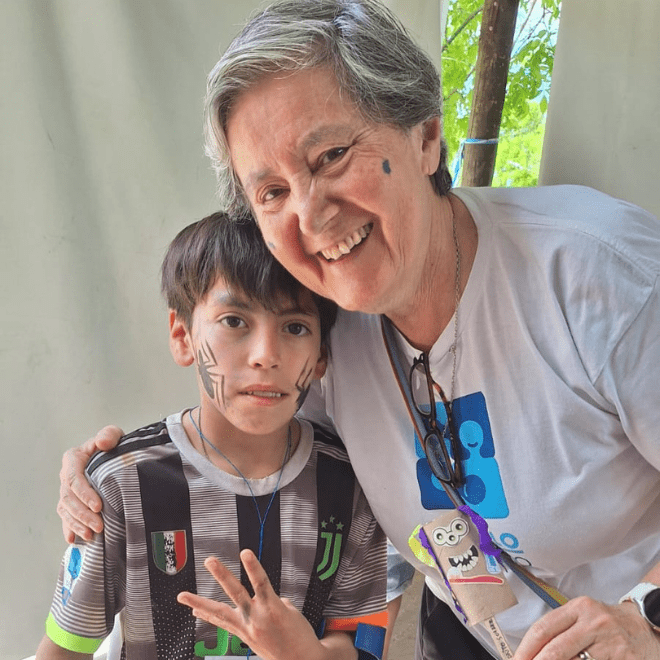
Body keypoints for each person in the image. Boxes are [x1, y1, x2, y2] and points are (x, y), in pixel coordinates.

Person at [57, 1, 660, 659]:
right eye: (272, 192)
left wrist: (644, 620)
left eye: (331, 156)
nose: (311, 217)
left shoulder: (603, 275)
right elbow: (251, 442)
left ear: (425, 137)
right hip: (467, 632)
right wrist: (112, 473)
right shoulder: (320, 330)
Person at [38, 212, 387, 660]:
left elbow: (358, 638)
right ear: (182, 336)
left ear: (321, 356)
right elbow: (64, 650)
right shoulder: (121, 485)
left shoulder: (347, 483)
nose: (266, 355)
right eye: (234, 321)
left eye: (295, 327)